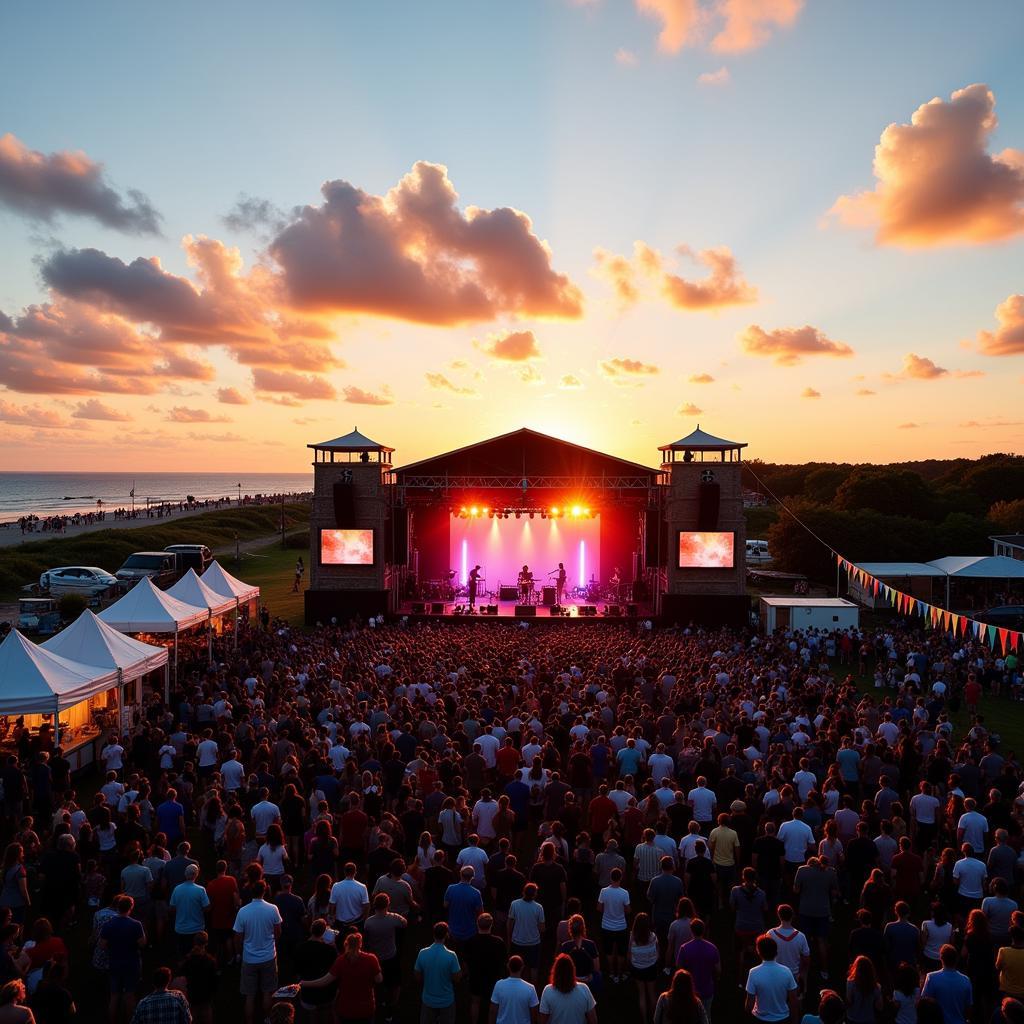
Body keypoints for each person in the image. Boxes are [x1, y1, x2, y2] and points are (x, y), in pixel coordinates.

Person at [301, 931, 382, 1024]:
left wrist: (304, 983)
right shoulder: (371, 959)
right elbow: (379, 980)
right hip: (366, 1008)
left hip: (346, 1009)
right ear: (360, 944)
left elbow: (324, 981)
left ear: (346, 944)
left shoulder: (341, 960)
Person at [232, 880, 282, 1024]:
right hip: (268, 956)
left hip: (249, 958)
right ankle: (267, 1019)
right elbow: (278, 931)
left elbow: (237, 937)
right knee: (267, 991)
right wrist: (272, 942)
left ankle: (249, 1021)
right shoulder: (273, 909)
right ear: (265, 891)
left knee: (250, 995)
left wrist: (239, 952)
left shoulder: (243, 911)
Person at [100, 894, 146, 1024]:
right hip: (131, 963)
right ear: (131, 907)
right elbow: (142, 943)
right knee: (129, 995)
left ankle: (112, 1020)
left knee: (114, 996)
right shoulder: (136, 924)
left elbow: (102, 945)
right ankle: (130, 1020)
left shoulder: (108, 924)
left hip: (114, 962)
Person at [744, 934, 799, 1024]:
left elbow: (749, 1003)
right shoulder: (786, 971)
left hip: (759, 1019)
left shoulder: (753, 972)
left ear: (758, 951)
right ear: (776, 952)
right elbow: (793, 1000)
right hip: (783, 1019)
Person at [415, 922, 462, 1024]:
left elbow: (417, 976)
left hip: (428, 1000)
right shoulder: (451, 956)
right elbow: (457, 978)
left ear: (433, 934)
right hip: (446, 1001)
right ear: (446, 935)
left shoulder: (422, 953)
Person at [920, 943, 973, 1024]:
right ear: (956, 959)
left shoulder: (932, 977)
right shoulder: (966, 980)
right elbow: (968, 1007)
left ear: (941, 958)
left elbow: (924, 1003)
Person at [538, 954, 597, 1024]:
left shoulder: (548, 990)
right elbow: (593, 1020)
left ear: (555, 971)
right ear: (573, 970)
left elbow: (542, 1021)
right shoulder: (584, 989)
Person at [597, 867, 630, 983]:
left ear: (611, 878)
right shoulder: (624, 893)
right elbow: (628, 910)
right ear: (620, 878)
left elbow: (599, 908)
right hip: (621, 926)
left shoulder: (604, 891)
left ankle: (612, 972)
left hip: (606, 926)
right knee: (621, 952)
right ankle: (620, 973)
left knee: (609, 951)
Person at [489, 955, 540, 1024]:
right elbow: (534, 1014)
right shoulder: (530, 988)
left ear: (508, 966)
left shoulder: (499, 985)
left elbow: (493, 1010)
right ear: (522, 968)